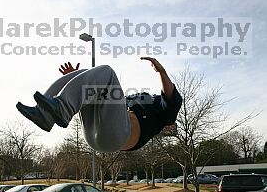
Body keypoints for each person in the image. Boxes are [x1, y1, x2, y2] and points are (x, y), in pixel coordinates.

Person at [17, 57, 182, 153]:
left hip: (118, 137)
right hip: (95, 135)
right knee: (85, 76)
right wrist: (76, 79)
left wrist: (161, 72)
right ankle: (44, 115)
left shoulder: (162, 112)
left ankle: (63, 108)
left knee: (107, 72)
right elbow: (98, 91)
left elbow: (171, 98)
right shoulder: (129, 101)